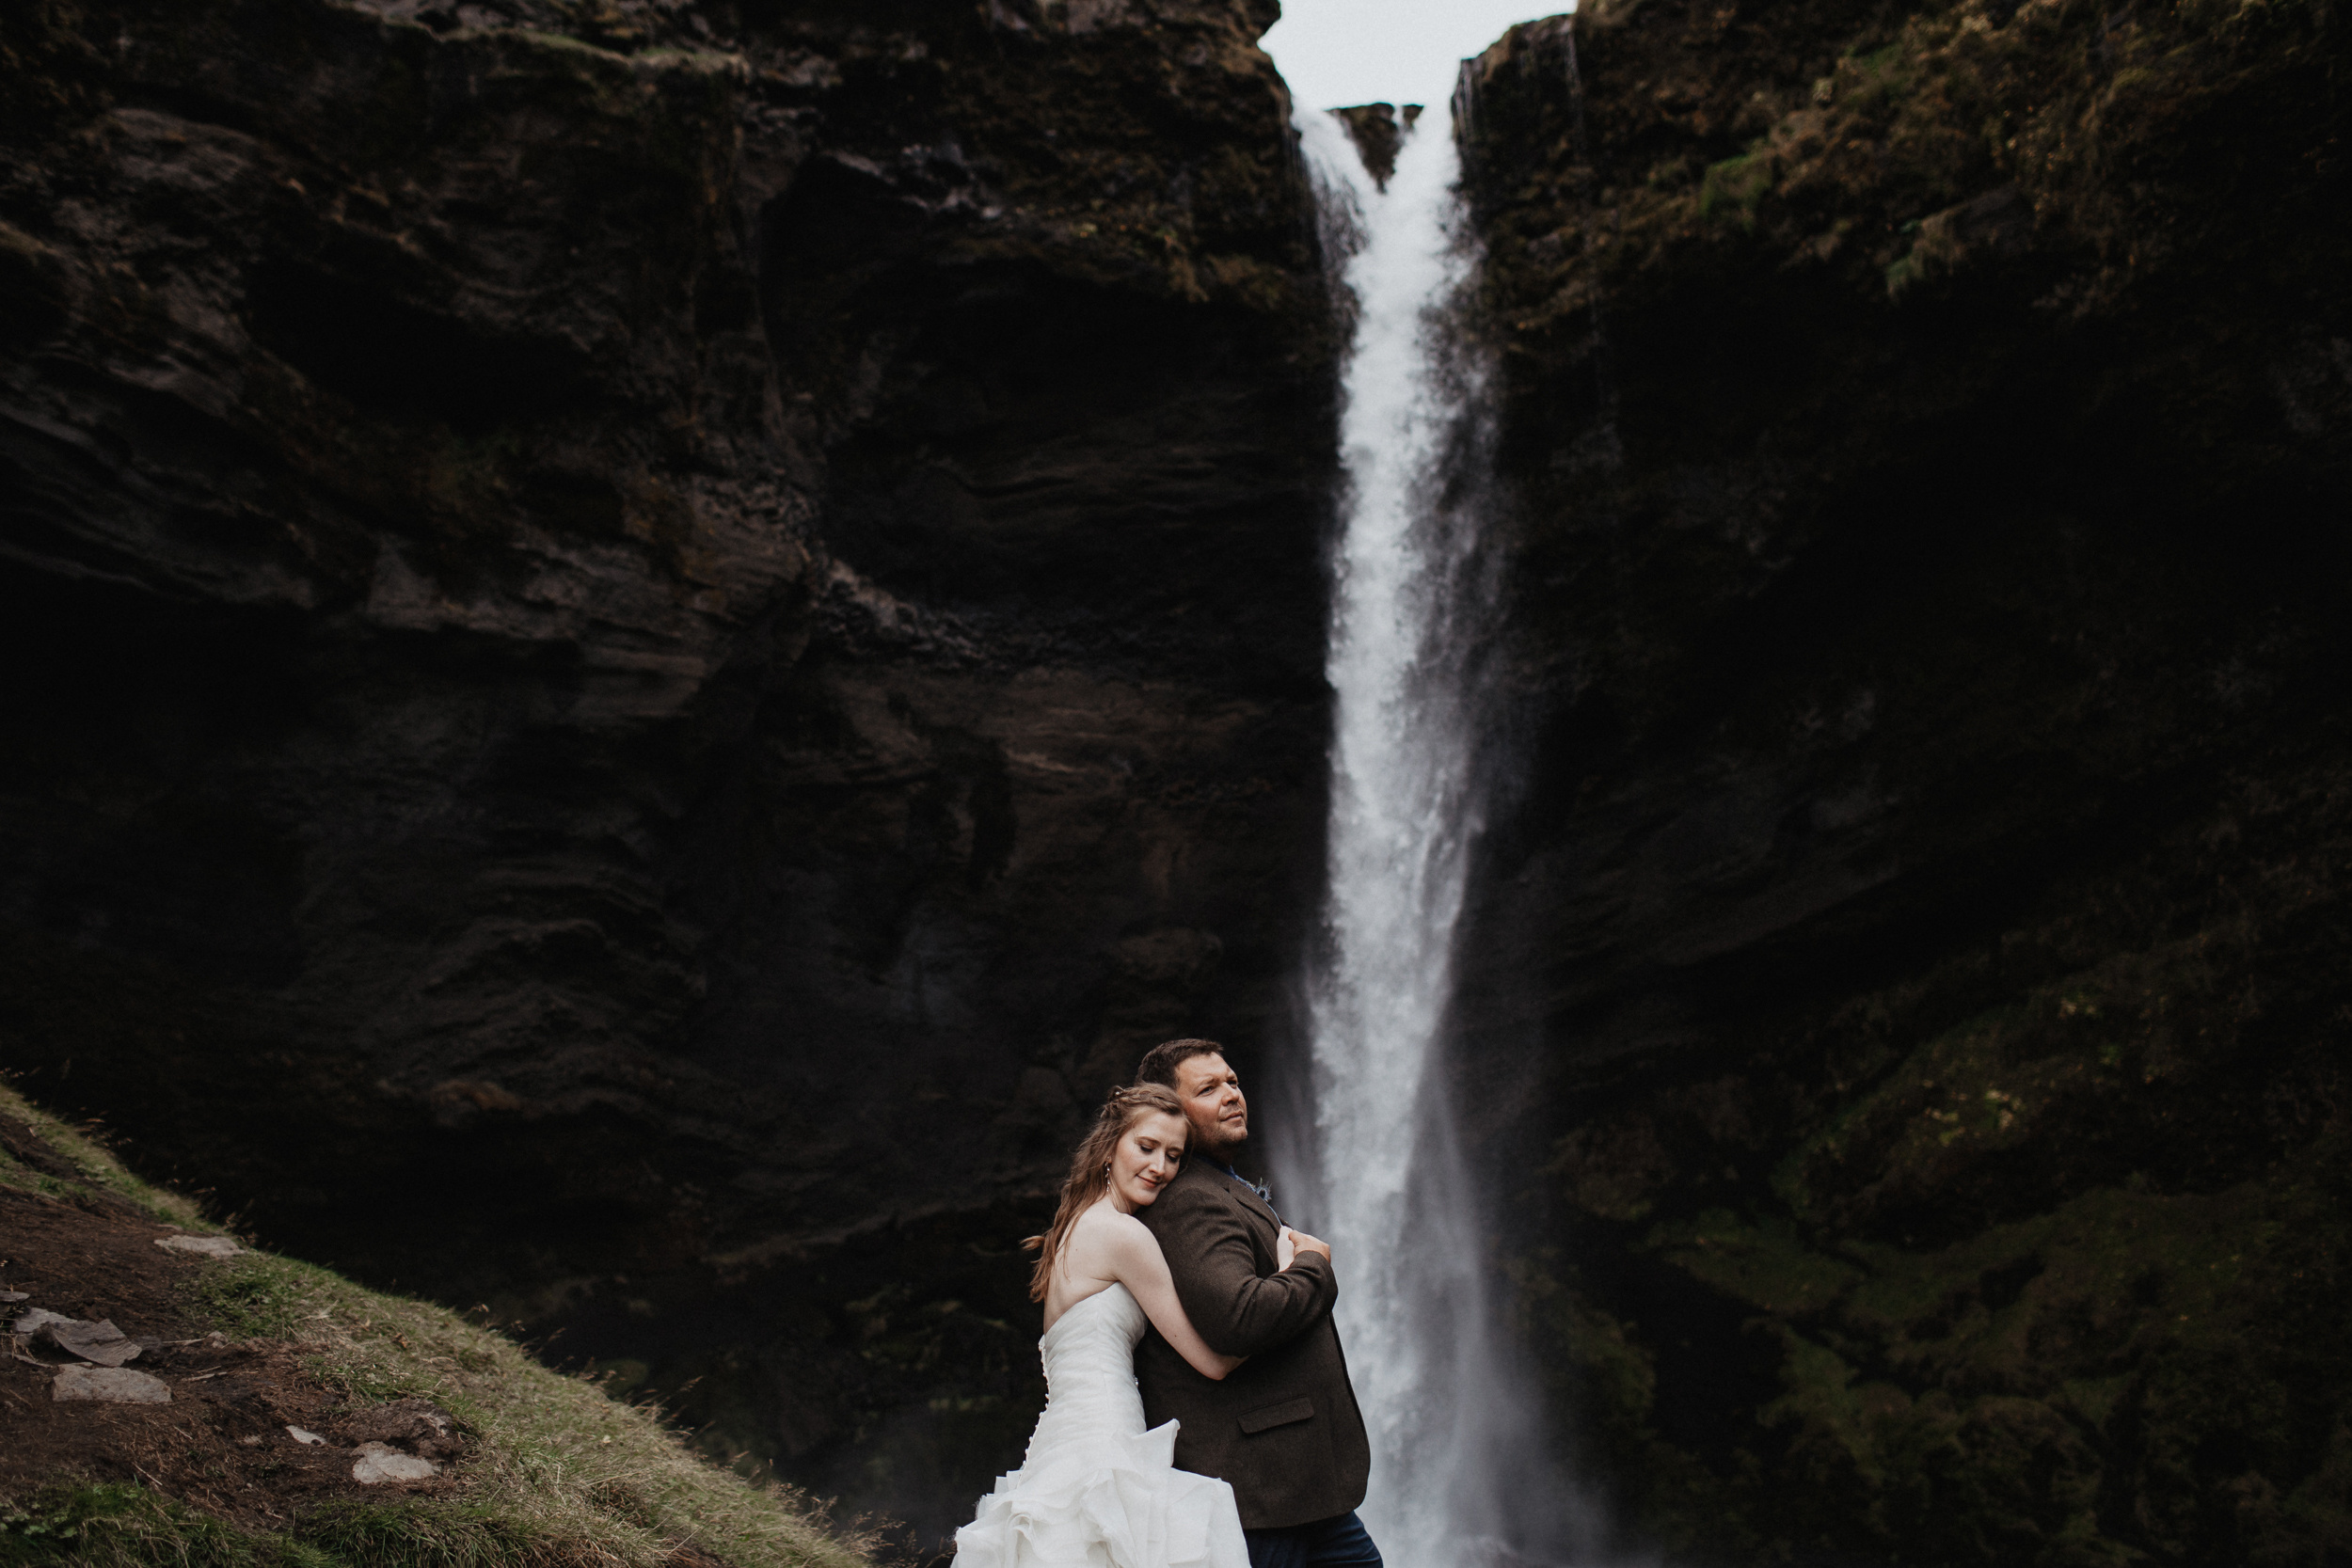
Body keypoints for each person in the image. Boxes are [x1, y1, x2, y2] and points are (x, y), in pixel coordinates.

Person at [954, 1083, 1299, 1568]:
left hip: (1061, 1445)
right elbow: (1215, 1360)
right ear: (1109, 1146)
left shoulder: (1071, 1228)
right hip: (1105, 1447)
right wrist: (1290, 1279)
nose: (1161, 1167)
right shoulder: (1122, 1235)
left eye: (1175, 1156)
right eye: (1146, 1147)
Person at [1133, 1039, 1380, 1568]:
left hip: (1302, 1490)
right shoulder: (1190, 1199)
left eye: (1233, 1082)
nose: (1231, 1095)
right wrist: (1313, 1264)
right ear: (1169, 1110)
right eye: (1208, 1088)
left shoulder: (1224, 1186)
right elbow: (1238, 1318)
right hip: (1259, 1492)